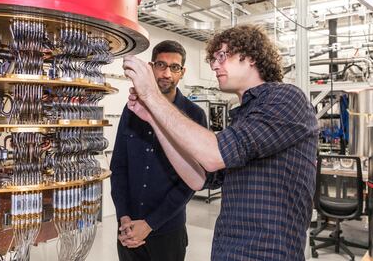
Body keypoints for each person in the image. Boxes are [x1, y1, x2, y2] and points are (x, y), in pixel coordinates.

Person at [122, 24, 318, 260]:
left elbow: (214, 155)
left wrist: (151, 95)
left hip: (267, 253)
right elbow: (200, 178)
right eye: (213, 59)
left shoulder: (287, 99)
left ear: (252, 57)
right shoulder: (243, 117)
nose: (215, 65)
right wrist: (152, 119)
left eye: (222, 56)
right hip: (228, 251)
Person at [110, 40, 207, 261]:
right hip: (128, 228)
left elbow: (192, 181)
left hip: (167, 231)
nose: (166, 73)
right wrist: (123, 216)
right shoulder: (132, 109)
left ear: (182, 72)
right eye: (161, 65)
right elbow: (119, 165)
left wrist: (150, 224)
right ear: (151, 67)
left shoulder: (194, 115)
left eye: (174, 67)